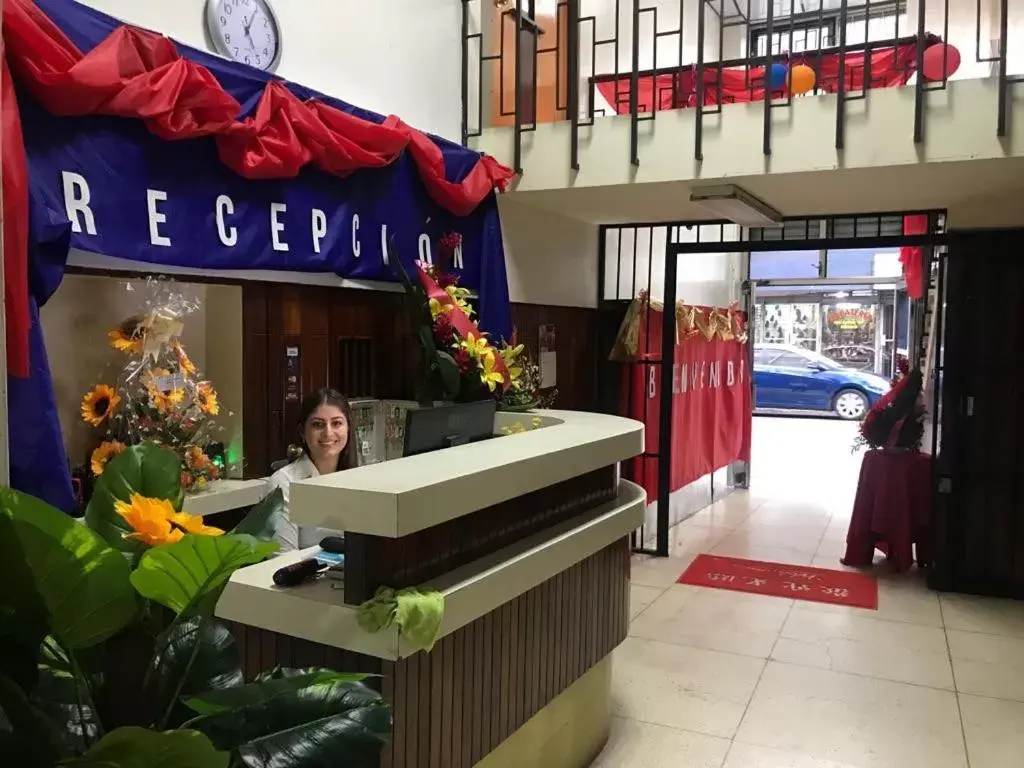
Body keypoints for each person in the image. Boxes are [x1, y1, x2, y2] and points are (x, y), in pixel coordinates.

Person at [268, 388, 359, 551]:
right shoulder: (283, 483)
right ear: (303, 431)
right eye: (318, 424)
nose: (328, 433)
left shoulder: (361, 478)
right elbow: (281, 558)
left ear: (348, 428)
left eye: (337, 423)